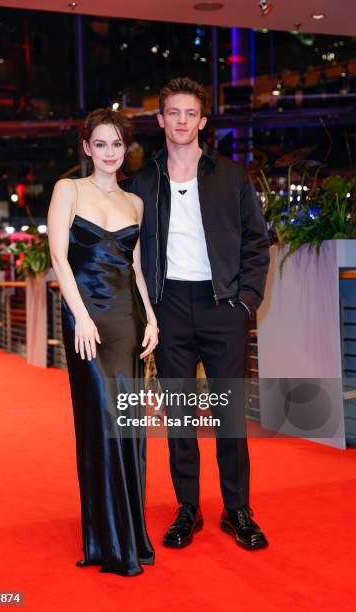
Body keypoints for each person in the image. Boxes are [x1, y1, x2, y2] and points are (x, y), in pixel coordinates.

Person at [123, 77, 270, 551]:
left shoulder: (231, 177)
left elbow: (256, 243)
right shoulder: (143, 184)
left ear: (203, 121)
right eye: (173, 113)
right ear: (161, 119)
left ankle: (237, 509)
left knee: (228, 416)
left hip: (222, 306)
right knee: (180, 415)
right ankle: (188, 507)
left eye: (191, 114)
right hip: (169, 309)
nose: (182, 121)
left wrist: (246, 302)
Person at [47, 109, 157, 576]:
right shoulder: (68, 190)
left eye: (117, 144)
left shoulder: (136, 203)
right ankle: (107, 540)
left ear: (124, 148)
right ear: (87, 148)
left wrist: (151, 318)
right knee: (101, 422)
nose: (110, 152)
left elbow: (134, 268)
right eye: (101, 144)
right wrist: (80, 317)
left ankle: (128, 533)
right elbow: (58, 255)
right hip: (89, 324)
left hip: (129, 321)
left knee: (129, 426)